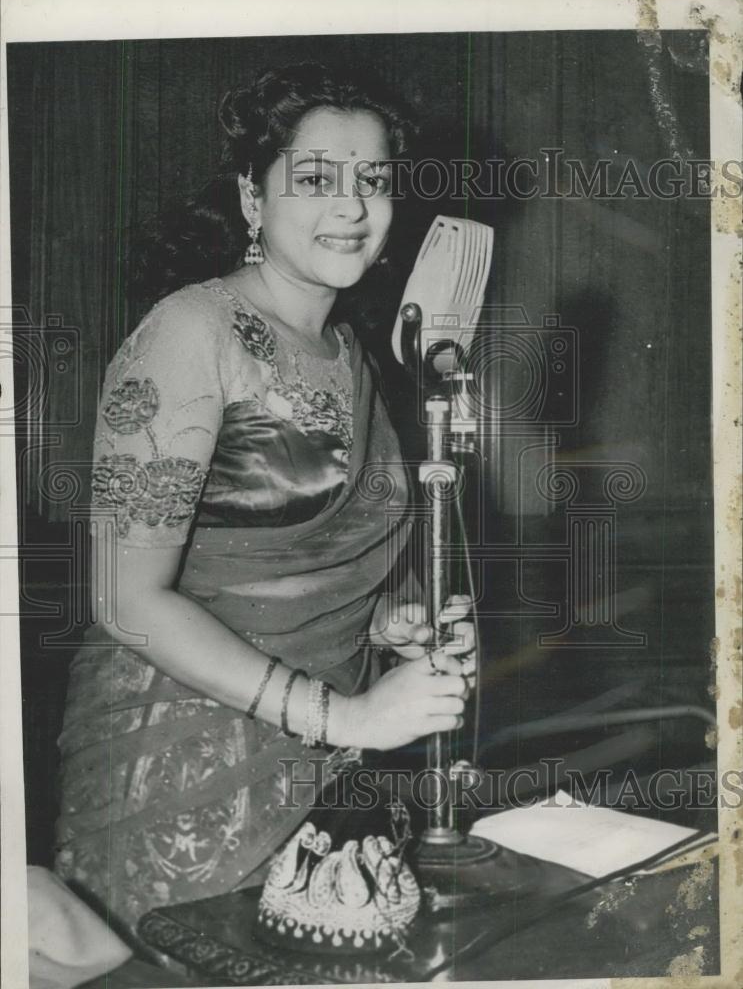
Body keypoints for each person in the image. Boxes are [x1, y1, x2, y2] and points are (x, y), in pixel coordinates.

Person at [54, 62, 474, 947]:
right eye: (315, 179)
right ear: (254, 197)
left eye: (374, 181)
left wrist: (393, 624)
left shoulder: (350, 350)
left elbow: (298, 562)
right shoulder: (190, 331)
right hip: (181, 761)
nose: (351, 207)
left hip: (323, 765)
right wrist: (348, 716)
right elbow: (126, 600)